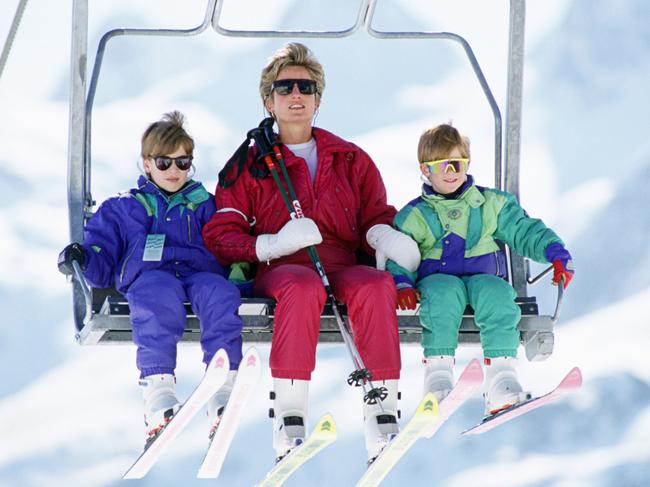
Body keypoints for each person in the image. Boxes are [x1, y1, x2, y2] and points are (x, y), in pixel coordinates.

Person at [202, 43, 420, 464]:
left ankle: (382, 413)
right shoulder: (250, 164)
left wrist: (384, 238)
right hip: (281, 267)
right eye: (285, 87)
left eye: (306, 86)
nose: (296, 95)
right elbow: (221, 234)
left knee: (376, 285)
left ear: (319, 97)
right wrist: (272, 244)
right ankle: (289, 414)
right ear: (269, 99)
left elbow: (374, 214)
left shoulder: (350, 159)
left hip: (339, 261)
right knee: (301, 287)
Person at [57, 111, 244, 446]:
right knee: (155, 299)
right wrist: (84, 257)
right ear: (146, 164)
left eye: (183, 163)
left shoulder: (205, 205)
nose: (174, 171)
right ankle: (158, 394)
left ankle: (223, 389)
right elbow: (103, 254)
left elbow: (227, 242)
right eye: (164, 163)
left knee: (220, 294)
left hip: (198, 274)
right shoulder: (124, 208)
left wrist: (242, 268)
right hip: (152, 277)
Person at [389, 123, 574, 416]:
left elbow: (523, 230)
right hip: (438, 280)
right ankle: (438, 375)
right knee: (442, 295)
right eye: (443, 165)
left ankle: (501, 377)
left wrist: (554, 252)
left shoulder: (491, 205)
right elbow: (399, 253)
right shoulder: (415, 216)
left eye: (458, 163)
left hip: (483, 277)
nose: (452, 172)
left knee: (499, 295)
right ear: (426, 170)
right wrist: (401, 284)